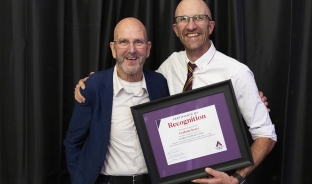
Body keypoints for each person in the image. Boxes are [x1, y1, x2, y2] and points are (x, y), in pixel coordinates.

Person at [74, 0, 277, 183]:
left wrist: (236, 178)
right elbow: (136, 80)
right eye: (183, 19)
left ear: (211, 25)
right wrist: (91, 83)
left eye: (199, 18)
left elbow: (266, 135)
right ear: (175, 28)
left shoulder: (237, 73)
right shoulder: (169, 67)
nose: (191, 25)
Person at [64, 17, 169, 184]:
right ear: (113, 48)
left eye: (138, 42)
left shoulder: (160, 83)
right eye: (124, 42)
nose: (132, 50)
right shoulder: (93, 86)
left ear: (148, 48)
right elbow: (73, 142)